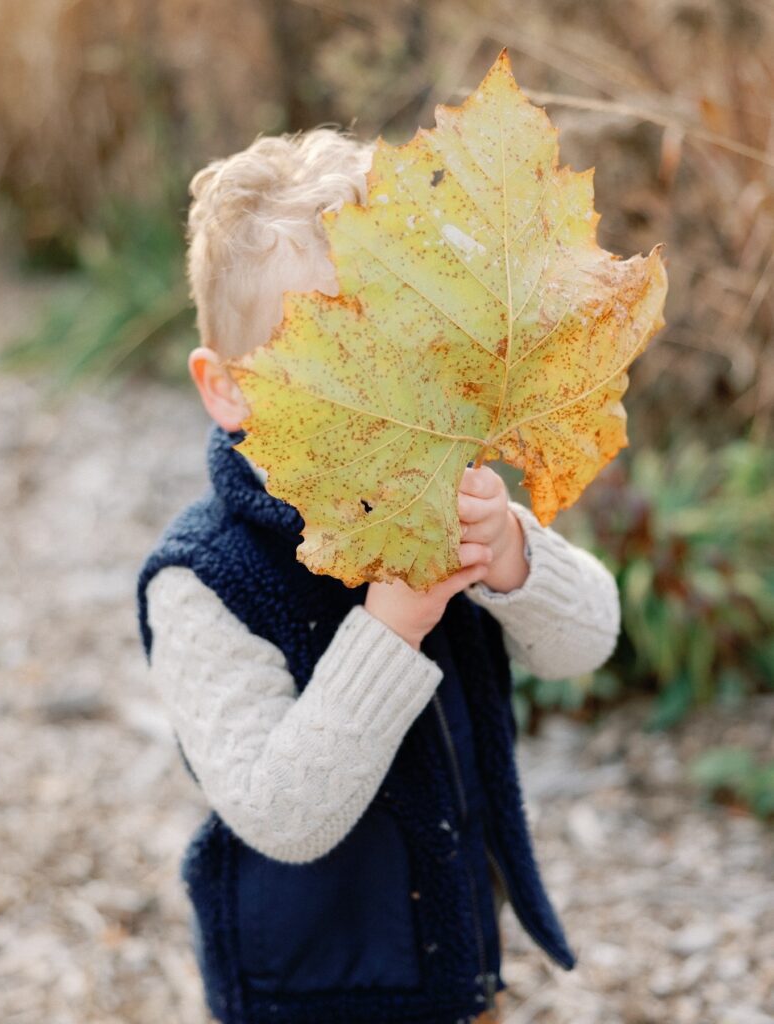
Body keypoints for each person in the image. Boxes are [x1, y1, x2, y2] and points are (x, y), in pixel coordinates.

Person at [136, 127, 621, 1024]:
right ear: (228, 387)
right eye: (325, 353)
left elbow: (587, 642)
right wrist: (389, 630)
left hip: (453, 953)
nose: (377, 387)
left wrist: (512, 554)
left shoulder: (448, 497)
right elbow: (280, 815)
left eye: (401, 339)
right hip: (311, 988)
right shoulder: (201, 581)